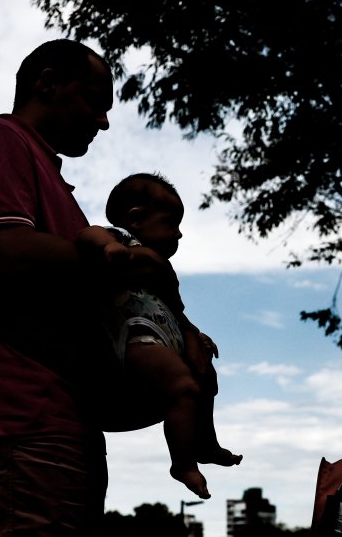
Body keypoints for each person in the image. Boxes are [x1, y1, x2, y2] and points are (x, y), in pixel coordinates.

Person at [0, 39, 191, 535]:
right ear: (48, 83)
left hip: (59, 413)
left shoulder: (51, 180)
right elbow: (9, 251)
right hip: (19, 408)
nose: (104, 122)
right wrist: (133, 266)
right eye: (95, 101)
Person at [77, 172, 242, 500]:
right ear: (136, 218)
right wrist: (109, 248)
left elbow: (177, 311)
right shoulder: (123, 239)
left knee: (205, 380)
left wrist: (195, 334)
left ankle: (206, 443)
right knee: (182, 387)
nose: (179, 233)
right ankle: (183, 462)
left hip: (164, 335)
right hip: (137, 336)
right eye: (171, 223)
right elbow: (87, 234)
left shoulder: (159, 268)